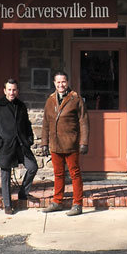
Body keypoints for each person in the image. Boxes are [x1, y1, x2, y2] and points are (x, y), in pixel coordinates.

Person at [0, 78, 39, 215]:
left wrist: (29, 139)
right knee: (5, 176)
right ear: (4, 91)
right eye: (9, 90)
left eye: (14, 90)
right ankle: (7, 204)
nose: (12, 92)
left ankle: (23, 193)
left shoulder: (21, 106)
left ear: (17, 91)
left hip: (22, 145)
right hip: (6, 146)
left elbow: (27, 125)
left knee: (33, 167)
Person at [40, 69, 89, 216]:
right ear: (54, 83)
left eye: (63, 81)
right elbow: (45, 123)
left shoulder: (76, 99)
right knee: (58, 174)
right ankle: (57, 202)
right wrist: (44, 143)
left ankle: (77, 204)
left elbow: (84, 122)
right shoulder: (50, 100)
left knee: (75, 173)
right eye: (58, 82)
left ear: (67, 83)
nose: (61, 84)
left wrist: (84, 142)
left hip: (71, 143)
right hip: (55, 144)